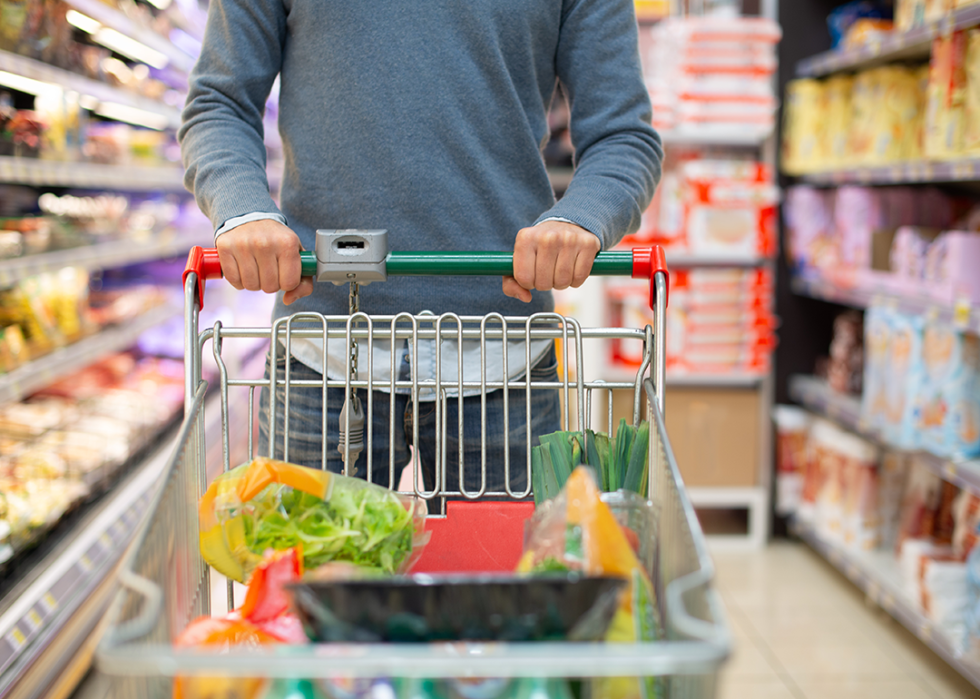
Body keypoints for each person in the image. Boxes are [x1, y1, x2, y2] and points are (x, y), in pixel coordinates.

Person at [178, 0, 663, 498]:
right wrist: (243, 209)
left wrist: (579, 217)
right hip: (322, 351)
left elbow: (622, 136)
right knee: (307, 574)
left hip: (503, 356)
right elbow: (219, 104)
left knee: (500, 575)